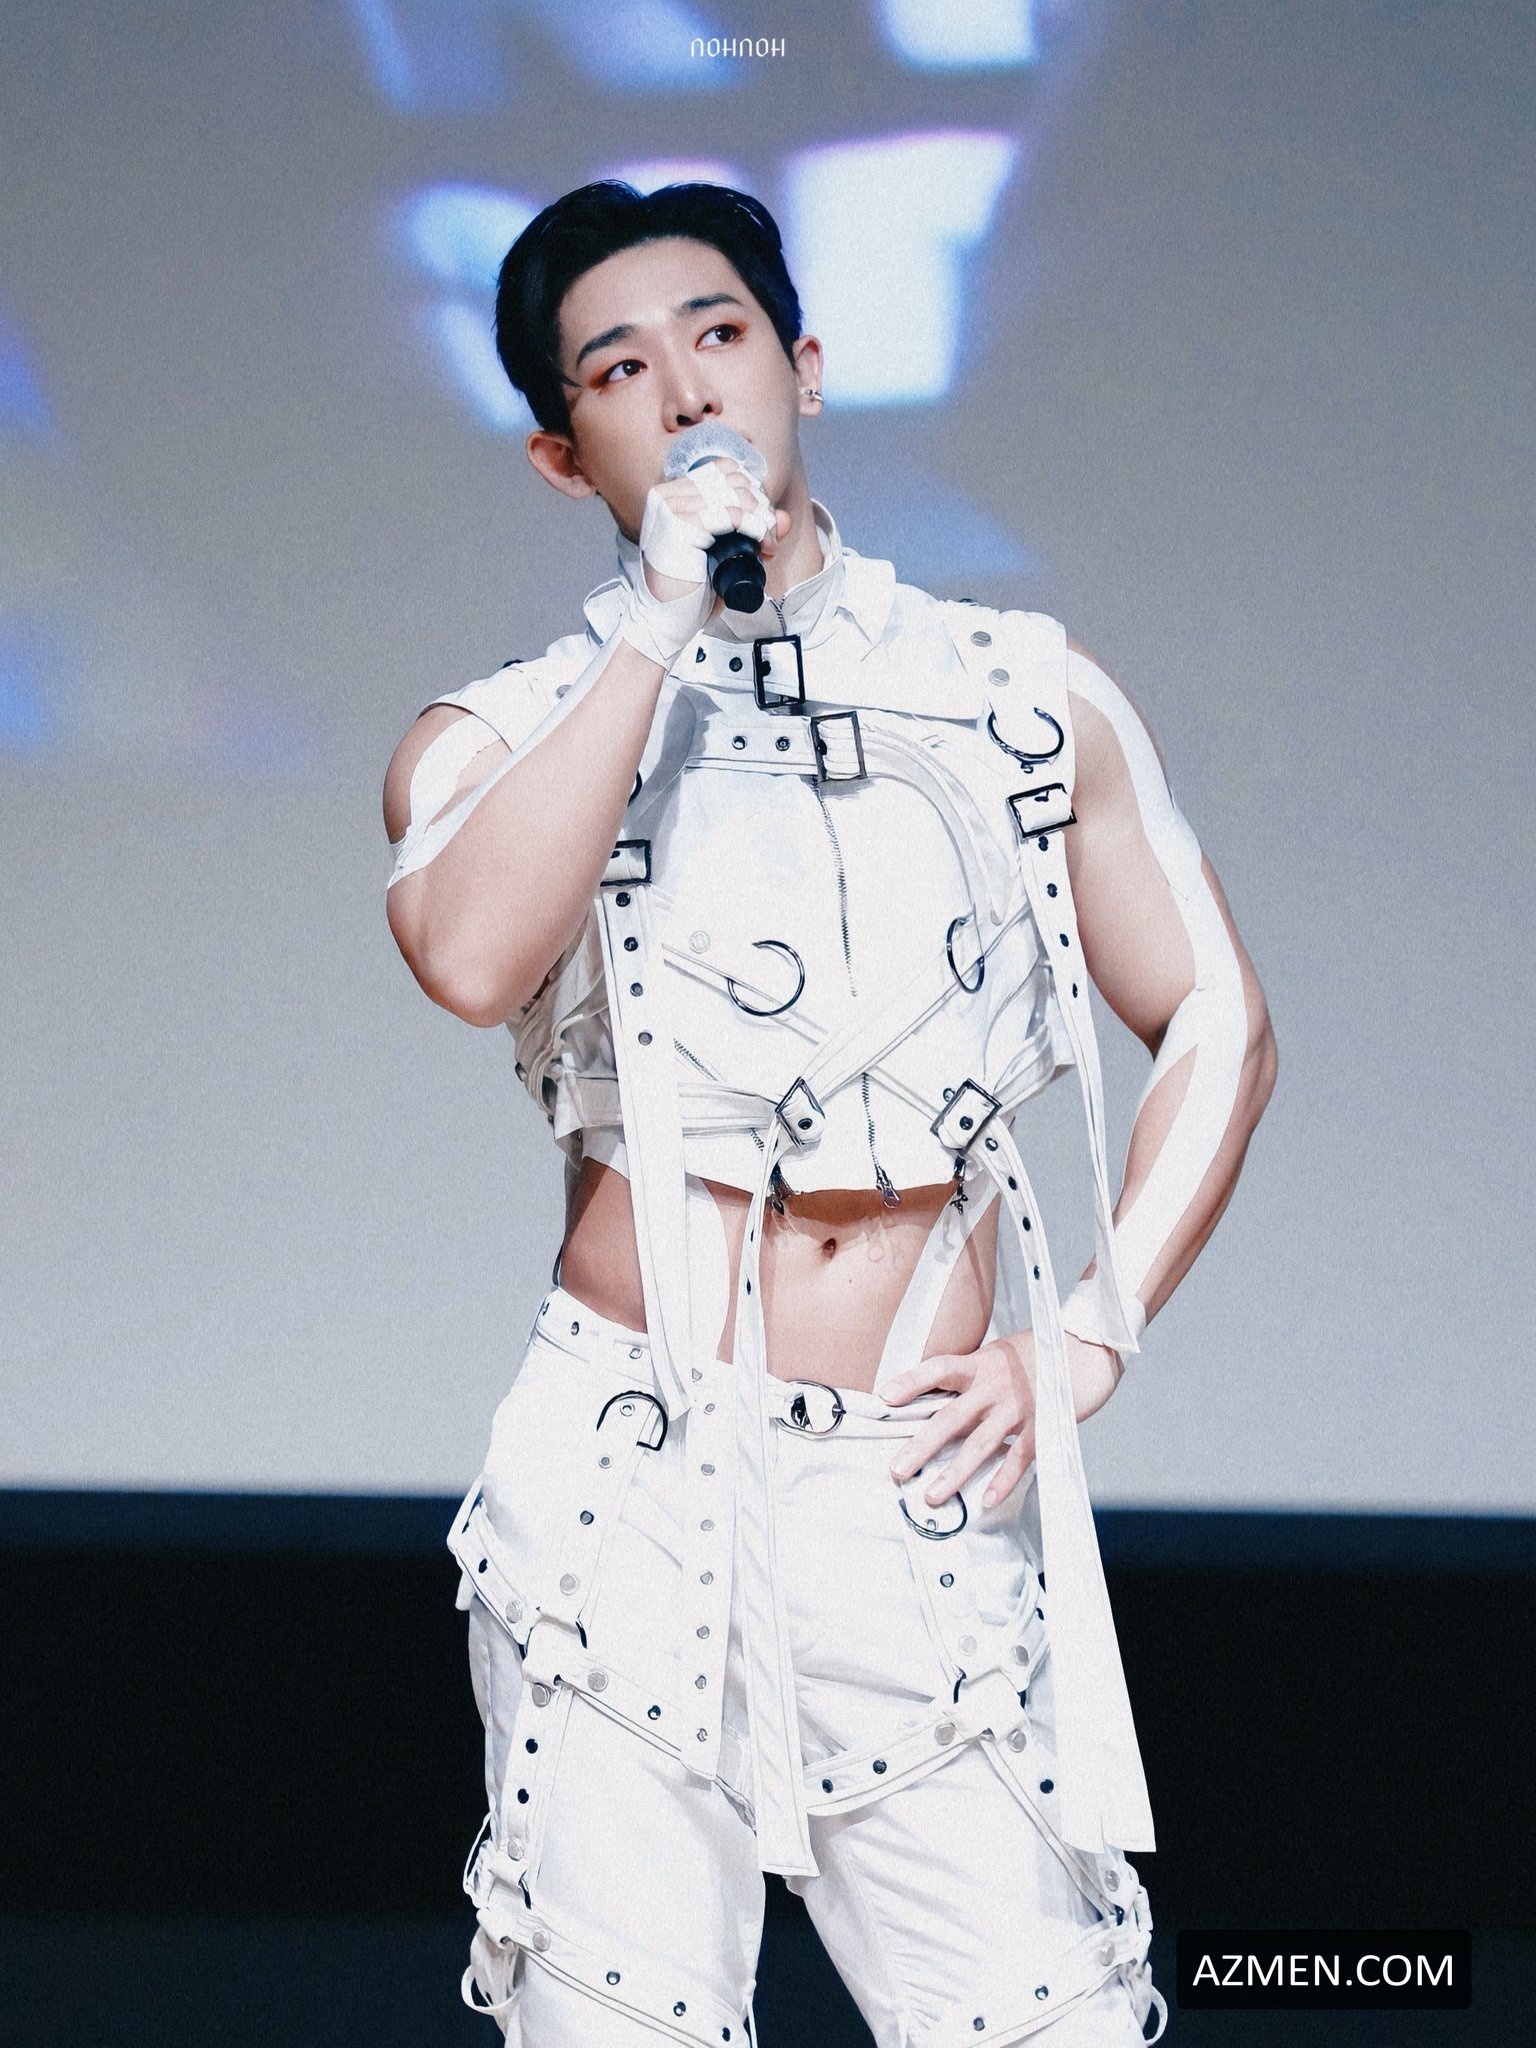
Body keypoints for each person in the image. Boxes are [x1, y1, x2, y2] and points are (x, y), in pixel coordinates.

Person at [382, 180, 1276, 2048]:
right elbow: (465, 955)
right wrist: (657, 623)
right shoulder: (500, 732)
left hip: (910, 1485)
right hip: (627, 1482)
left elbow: (1215, 1010)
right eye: (620, 369)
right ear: (562, 451)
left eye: (719, 336)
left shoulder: (1021, 696)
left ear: (801, 364)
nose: (687, 389)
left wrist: (1092, 1330)